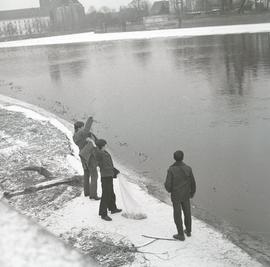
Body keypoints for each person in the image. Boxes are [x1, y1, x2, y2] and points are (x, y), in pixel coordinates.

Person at [164, 150, 196, 241]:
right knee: (187, 212)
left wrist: (169, 190)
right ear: (183, 157)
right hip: (186, 195)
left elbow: (168, 185)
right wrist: (192, 193)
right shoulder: (188, 168)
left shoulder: (171, 169)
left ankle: (181, 234)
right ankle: (188, 231)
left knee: (177, 214)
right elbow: (193, 183)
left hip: (176, 195)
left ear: (174, 158)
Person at [73, 117, 100, 200]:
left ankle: (87, 192)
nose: (83, 127)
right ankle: (93, 195)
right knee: (94, 175)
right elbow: (86, 129)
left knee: (86, 173)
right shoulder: (81, 133)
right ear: (80, 127)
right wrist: (90, 119)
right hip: (88, 156)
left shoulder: (74, 136)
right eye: (82, 126)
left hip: (82, 155)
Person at [95, 139, 121, 221]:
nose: (106, 146)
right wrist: (92, 142)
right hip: (105, 176)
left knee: (111, 193)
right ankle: (103, 214)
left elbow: (109, 164)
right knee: (106, 195)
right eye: (105, 144)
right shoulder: (99, 153)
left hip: (109, 175)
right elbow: (104, 164)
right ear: (102, 146)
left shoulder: (104, 152)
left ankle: (113, 208)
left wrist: (114, 170)